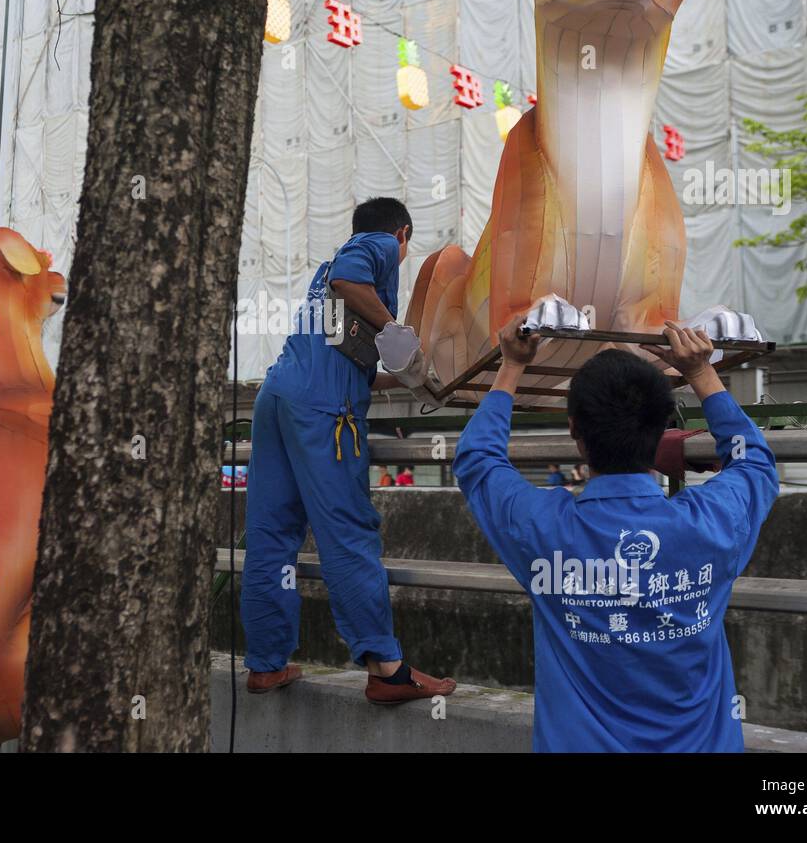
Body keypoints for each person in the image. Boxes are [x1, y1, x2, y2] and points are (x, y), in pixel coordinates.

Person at [453, 318, 779, 751]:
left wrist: (512, 365)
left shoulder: (544, 530)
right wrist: (702, 373)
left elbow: (477, 459)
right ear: (663, 428)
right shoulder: (711, 523)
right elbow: (754, 462)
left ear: (575, 431)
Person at [241, 197, 456, 704]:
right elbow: (351, 280)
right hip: (323, 413)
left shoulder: (324, 281)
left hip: (278, 398)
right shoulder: (376, 246)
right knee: (348, 532)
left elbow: (346, 358)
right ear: (402, 235)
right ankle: (386, 668)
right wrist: (397, 331)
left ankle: (266, 664)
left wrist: (406, 379)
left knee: (272, 535)